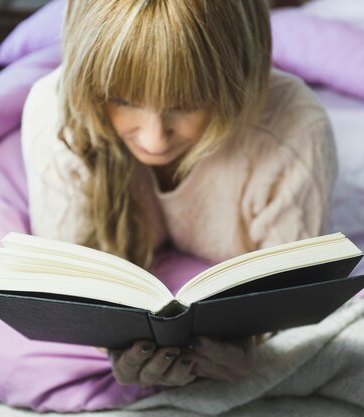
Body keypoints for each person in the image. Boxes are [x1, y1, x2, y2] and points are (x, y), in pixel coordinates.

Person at [21, 0, 337, 389]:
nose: (154, 139)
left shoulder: (296, 131)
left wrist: (255, 345)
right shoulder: (55, 116)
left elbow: (286, 305)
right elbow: (68, 291)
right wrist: (107, 345)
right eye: (122, 99)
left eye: (186, 104)